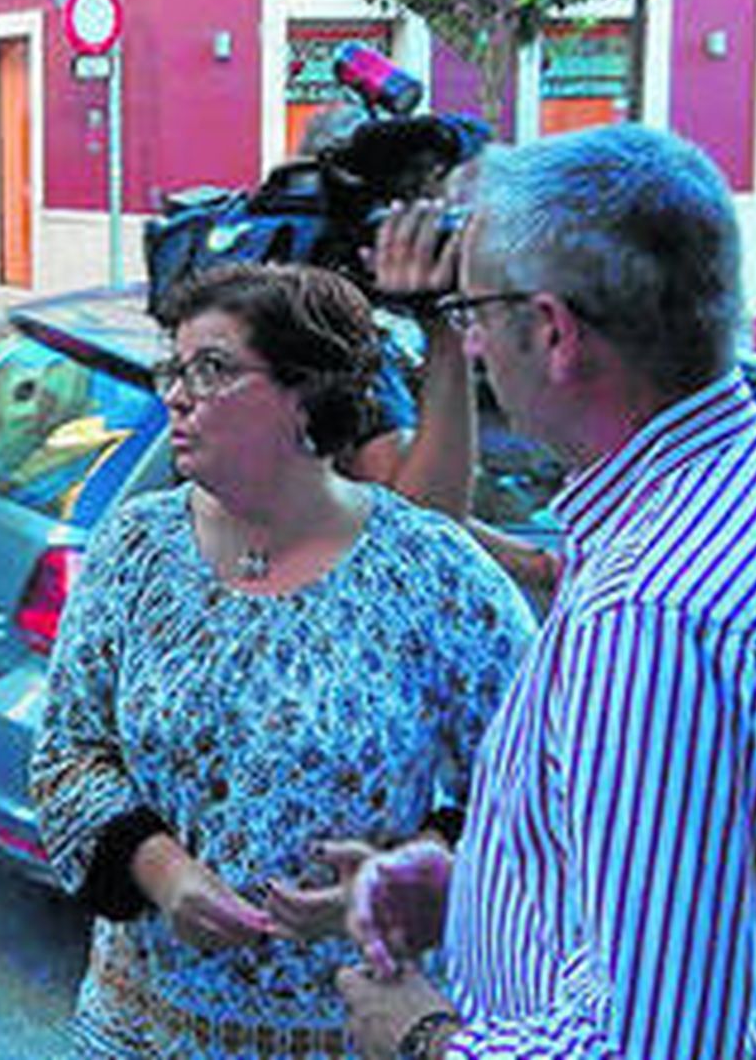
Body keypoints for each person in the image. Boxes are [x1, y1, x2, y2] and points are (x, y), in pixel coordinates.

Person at [337, 124, 756, 1058]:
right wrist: (476, 883)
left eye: (473, 313)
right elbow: (725, 872)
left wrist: (424, 1039)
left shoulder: (658, 620)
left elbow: (660, 1047)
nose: (474, 344)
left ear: (553, 332)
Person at [29, 262, 536, 1057]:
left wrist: (415, 872)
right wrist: (163, 872)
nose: (178, 393)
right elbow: (68, 754)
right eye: (176, 366)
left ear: (308, 397)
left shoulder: (435, 571)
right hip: (144, 1028)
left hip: (354, 1027)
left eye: (214, 369)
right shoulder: (136, 547)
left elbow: (535, 785)